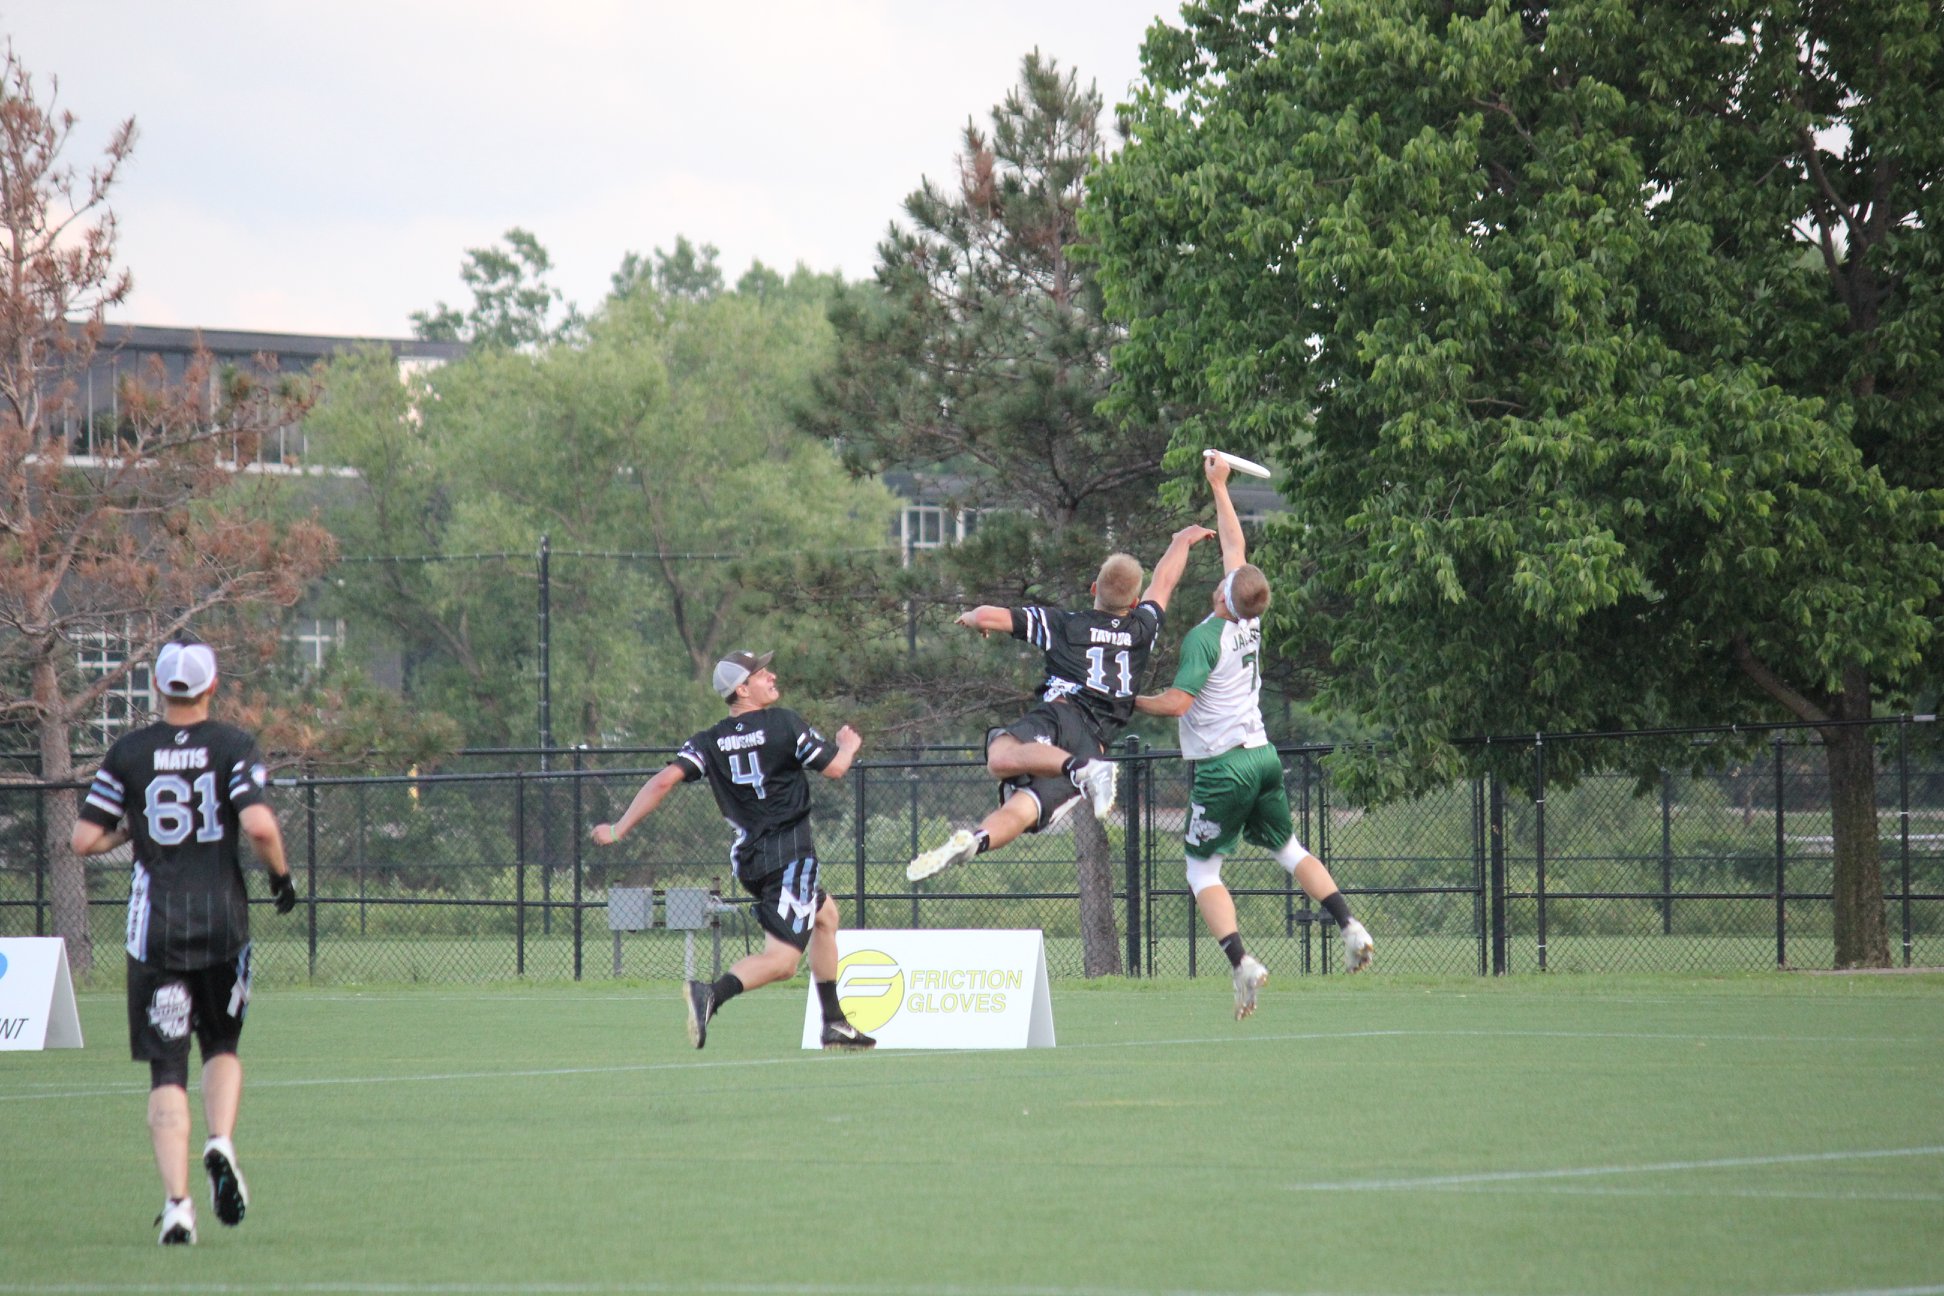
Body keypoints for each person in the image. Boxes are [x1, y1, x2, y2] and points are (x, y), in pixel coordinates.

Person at [71, 640, 298, 1245]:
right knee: (221, 1045)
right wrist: (281, 877)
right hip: (223, 924)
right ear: (212, 687)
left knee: (167, 1071)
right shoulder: (231, 745)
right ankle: (220, 1141)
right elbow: (258, 824)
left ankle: (177, 1207)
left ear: (157, 690)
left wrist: (130, 830)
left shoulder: (129, 752)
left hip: (157, 932)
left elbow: (82, 840)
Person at [1135, 454, 1373, 1019]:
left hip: (1223, 767)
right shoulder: (1251, 617)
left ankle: (1241, 961)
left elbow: (1177, 703)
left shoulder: (1205, 638)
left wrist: (1121, 700)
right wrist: (1220, 486)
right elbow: (1235, 550)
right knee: (1288, 850)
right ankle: (1350, 924)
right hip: (1263, 755)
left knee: (1201, 870)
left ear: (1223, 597)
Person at [592, 650, 874, 1051]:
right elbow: (834, 768)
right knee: (782, 963)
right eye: (762, 673)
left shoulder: (709, 741)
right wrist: (847, 746)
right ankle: (711, 994)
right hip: (790, 856)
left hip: (751, 860)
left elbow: (662, 782)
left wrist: (619, 828)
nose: (772, 675)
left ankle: (834, 1023)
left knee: (825, 916)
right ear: (742, 688)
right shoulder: (783, 723)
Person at [907, 525, 1214, 881]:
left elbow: (992, 615)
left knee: (1000, 757)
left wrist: (974, 619)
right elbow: (1163, 582)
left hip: (1062, 714)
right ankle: (976, 840)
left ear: (1094, 589)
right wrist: (1181, 540)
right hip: (1095, 742)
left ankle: (1080, 769)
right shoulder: (1142, 629)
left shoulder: (1064, 624)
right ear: (1133, 603)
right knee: (1022, 808)